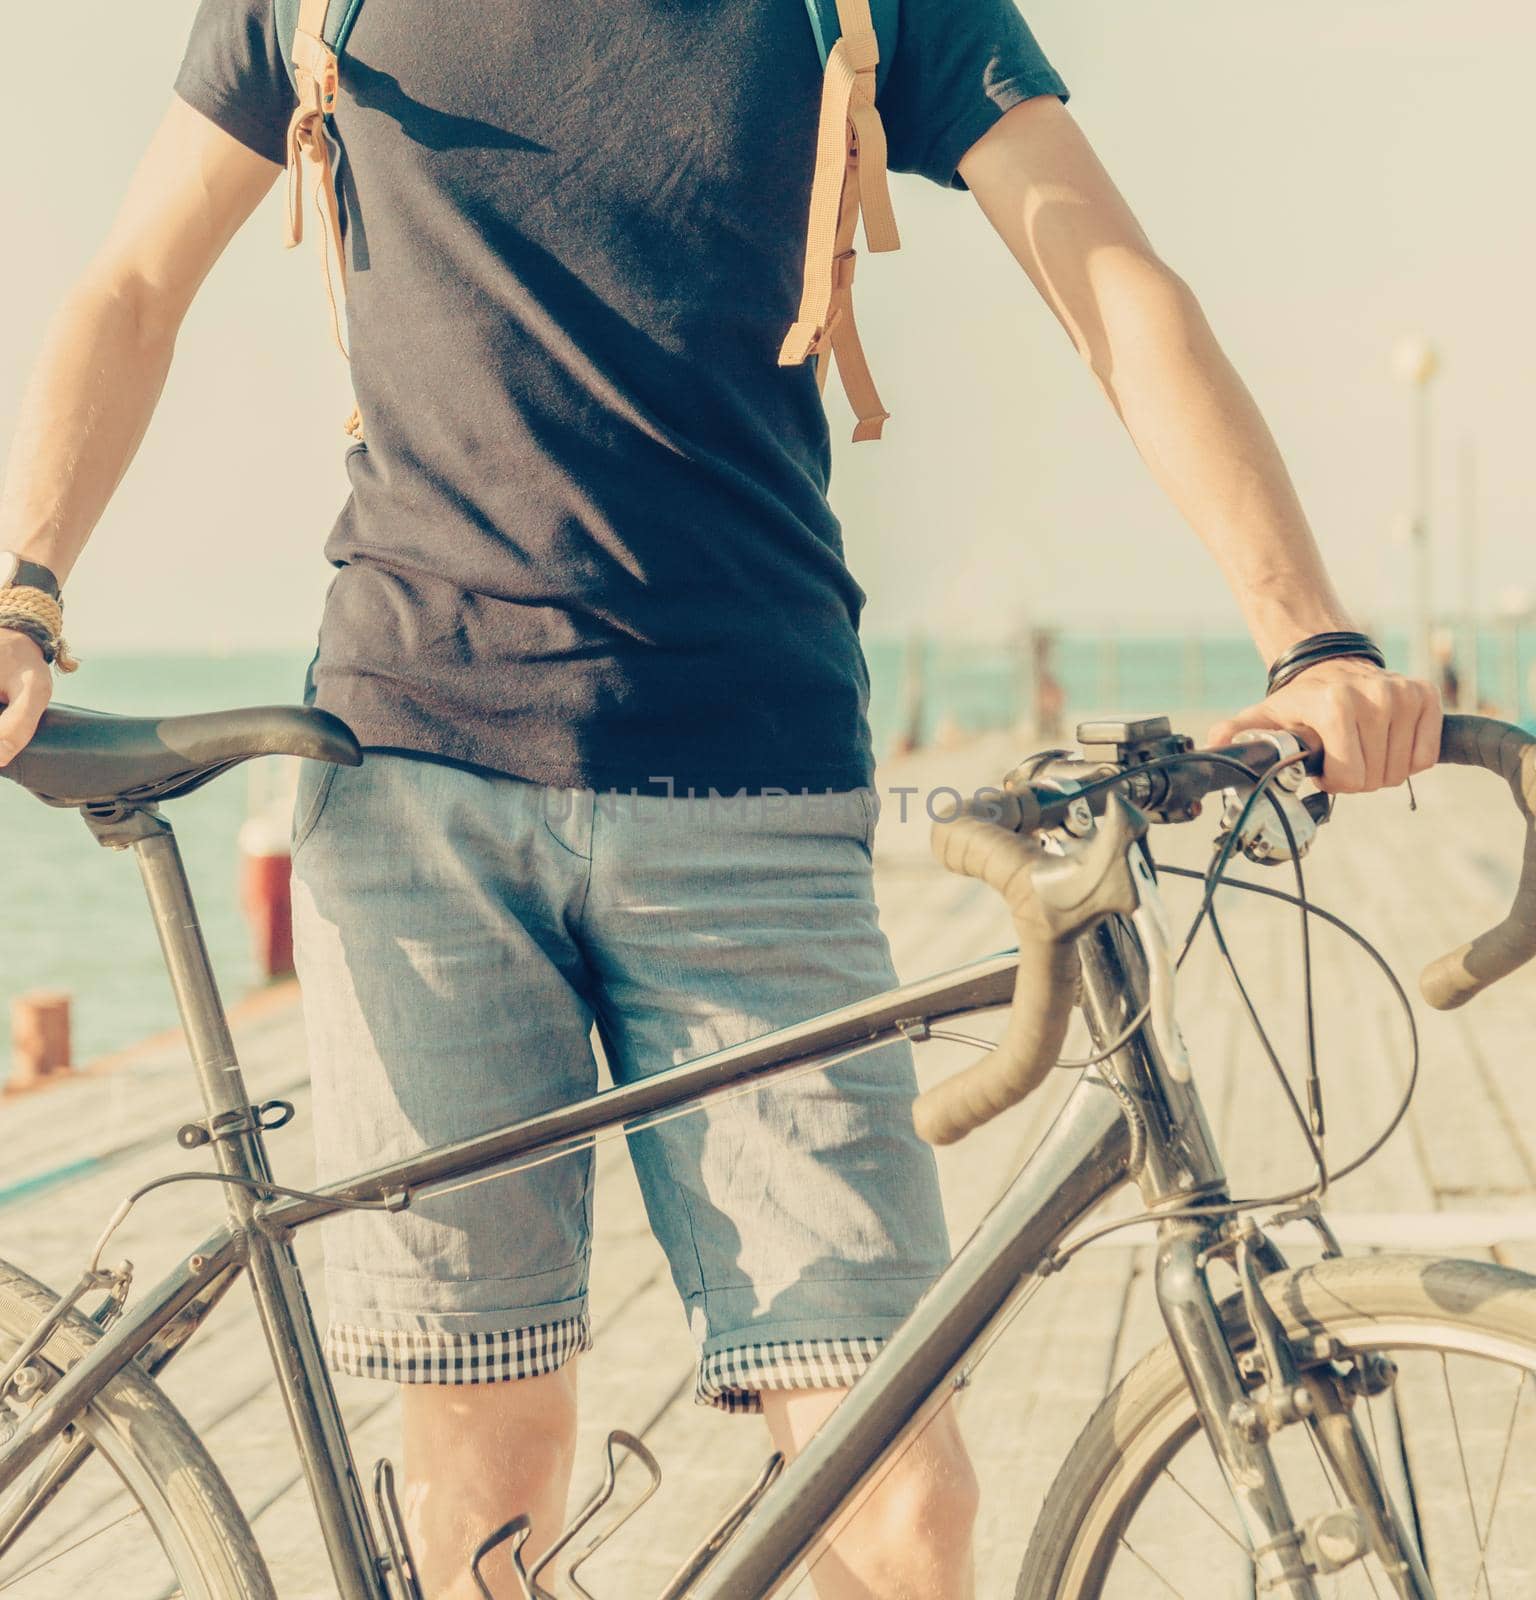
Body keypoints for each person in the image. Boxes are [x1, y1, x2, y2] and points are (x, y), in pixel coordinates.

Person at [0, 3, 1441, 1595]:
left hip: (755, 797)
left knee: (894, 1504)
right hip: (420, 792)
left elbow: (1107, 278)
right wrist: (24, 596)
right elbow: (134, 286)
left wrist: (1307, 632)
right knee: (489, 1482)